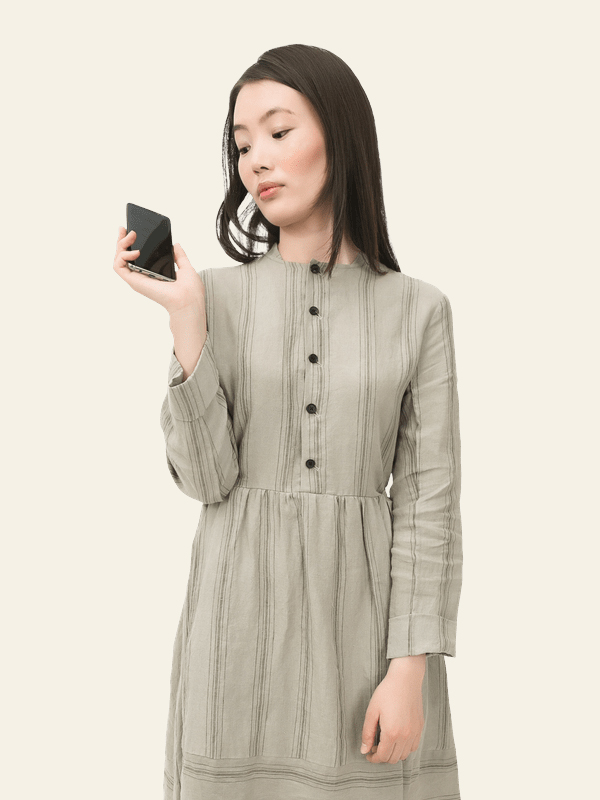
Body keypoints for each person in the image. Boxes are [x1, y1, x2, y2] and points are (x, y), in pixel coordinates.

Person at [114, 43, 463, 800]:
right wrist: (186, 322)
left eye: (278, 132)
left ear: (340, 135)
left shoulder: (419, 309)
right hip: (234, 631)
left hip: (366, 637)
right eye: (242, 145)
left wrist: (411, 668)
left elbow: (429, 502)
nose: (257, 162)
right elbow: (207, 481)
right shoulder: (214, 296)